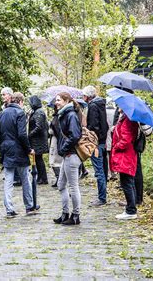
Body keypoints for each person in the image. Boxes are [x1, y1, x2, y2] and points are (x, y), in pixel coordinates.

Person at [0, 92, 38, 217]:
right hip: (19, 149)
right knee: (25, 178)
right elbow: (22, 134)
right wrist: (28, 149)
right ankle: (29, 206)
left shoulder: (1, 114)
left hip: (6, 149)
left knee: (8, 180)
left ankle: (9, 208)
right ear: (20, 102)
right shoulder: (20, 113)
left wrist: (2, 147)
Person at [53, 92, 82, 225]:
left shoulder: (70, 115)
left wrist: (63, 149)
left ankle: (76, 215)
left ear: (66, 101)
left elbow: (75, 135)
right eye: (56, 100)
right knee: (61, 185)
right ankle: (65, 213)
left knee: (73, 186)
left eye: (58, 100)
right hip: (67, 155)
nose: (56, 102)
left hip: (71, 155)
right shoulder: (63, 114)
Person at [82, 86, 109, 207]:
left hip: (96, 142)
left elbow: (93, 126)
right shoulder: (101, 104)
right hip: (102, 141)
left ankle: (102, 198)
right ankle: (103, 194)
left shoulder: (92, 106)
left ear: (87, 96)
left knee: (99, 171)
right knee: (103, 169)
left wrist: (90, 137)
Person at [111, 108, 139, 220]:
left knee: (127, 182)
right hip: (127, 155)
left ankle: (131, 210)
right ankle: (131, 208)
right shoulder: (125, 118)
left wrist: (116, 146)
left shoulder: (128, 120)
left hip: (125, 155)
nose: (118, 107)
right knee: (128, 182)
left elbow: (126, 139)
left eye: (120, 105)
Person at [0, 87, 22, 187]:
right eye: (2, 95)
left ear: (9, 95)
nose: (2, 97)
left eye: (4, 94)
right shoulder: (3, 108)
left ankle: (17, 178)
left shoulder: (17, 108)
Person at [28, 96, 49, 185]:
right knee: (37, 159)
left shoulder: (39, 112)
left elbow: (39, 127)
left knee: (39, 159)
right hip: (37, 140)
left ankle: (43, 178)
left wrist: (29, 135)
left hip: (38, 140)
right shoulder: (36, 112)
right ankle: (41, 177)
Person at [48, 104, 62, 187]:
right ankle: (59, 179)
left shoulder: (57, 117)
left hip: (56, 141)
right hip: (57, 140)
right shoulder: (59, 116)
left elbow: (54, 130)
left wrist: (50, 129)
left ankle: (59, 179)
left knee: (54, 161)